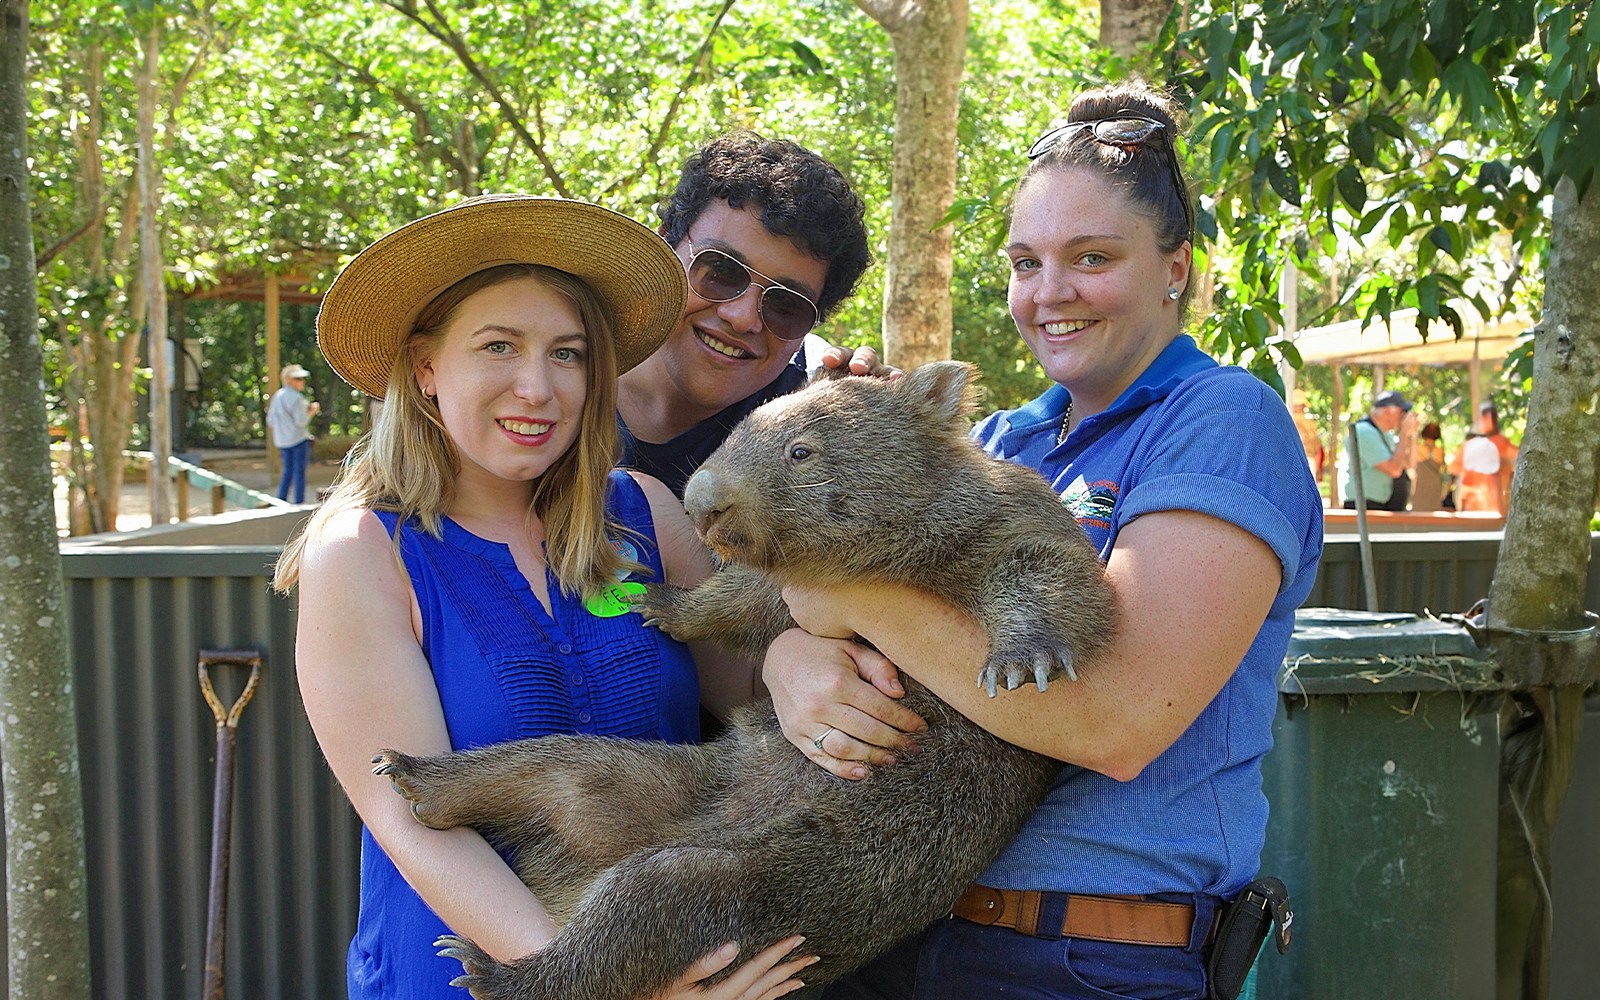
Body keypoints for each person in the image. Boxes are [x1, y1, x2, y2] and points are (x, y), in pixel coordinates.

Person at [758, 82, 1324, 1000]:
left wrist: (850, 599)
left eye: (1091, 258)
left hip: (1085, 953)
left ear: (1176, 266)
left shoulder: (1220, 421)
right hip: (893, 923)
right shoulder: (1000, 443)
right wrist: (792, 652)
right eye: (1026, 262)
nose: (1049, 293)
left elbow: (1117, 719)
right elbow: (833, 609)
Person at [272, 195, 814, 1000]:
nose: (537, 386)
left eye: (566, 354)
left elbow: (755, 692)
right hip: (481, 977)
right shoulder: (362, 553)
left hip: (680, 964)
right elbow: (414, 823)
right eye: (499, 346)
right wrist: (614, 985)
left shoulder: (642, 515)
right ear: (425, 366)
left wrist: (807, 652)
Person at [618, 132, 874, 497]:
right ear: (664, 249)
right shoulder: (554, 368)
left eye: (785, 306)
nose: (742, 318)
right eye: (721, 271)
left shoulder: (809, 415)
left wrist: (883, 418)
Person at [1340, 389, 1417, 511]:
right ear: (1388, 411)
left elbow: (1409, 465)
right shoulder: (1363, 432)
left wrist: (1411, 436)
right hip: (1365, 505)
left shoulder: (1386, 435)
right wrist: (1404, 433)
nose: (1404, 416)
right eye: (1402, 411)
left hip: (1382, 505)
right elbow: (1394, 469)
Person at [1450, 401, 1518, 513]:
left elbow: (1517, 464)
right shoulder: (1470, 445)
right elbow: (1454, 467)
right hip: (1473, 504)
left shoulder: (1503, 445)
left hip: (1495, 506)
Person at [268, 362, 321, 503]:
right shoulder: (298, 398)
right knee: (299, 473)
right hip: (298, 440)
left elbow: (270, 421)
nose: (302, 381)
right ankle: (299, 502)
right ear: (288, 380)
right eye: (298, 379)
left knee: (287, 472)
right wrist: (312, 411)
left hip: (282, 441)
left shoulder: (277, 396)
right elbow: (301, 421)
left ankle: (281, 500)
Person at [1411, 420, 1449, 511]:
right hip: (1435, 484)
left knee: (1419, 509)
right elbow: (1443, 468)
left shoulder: (1418, 448)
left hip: (1421, 483)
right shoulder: (1440, 451)